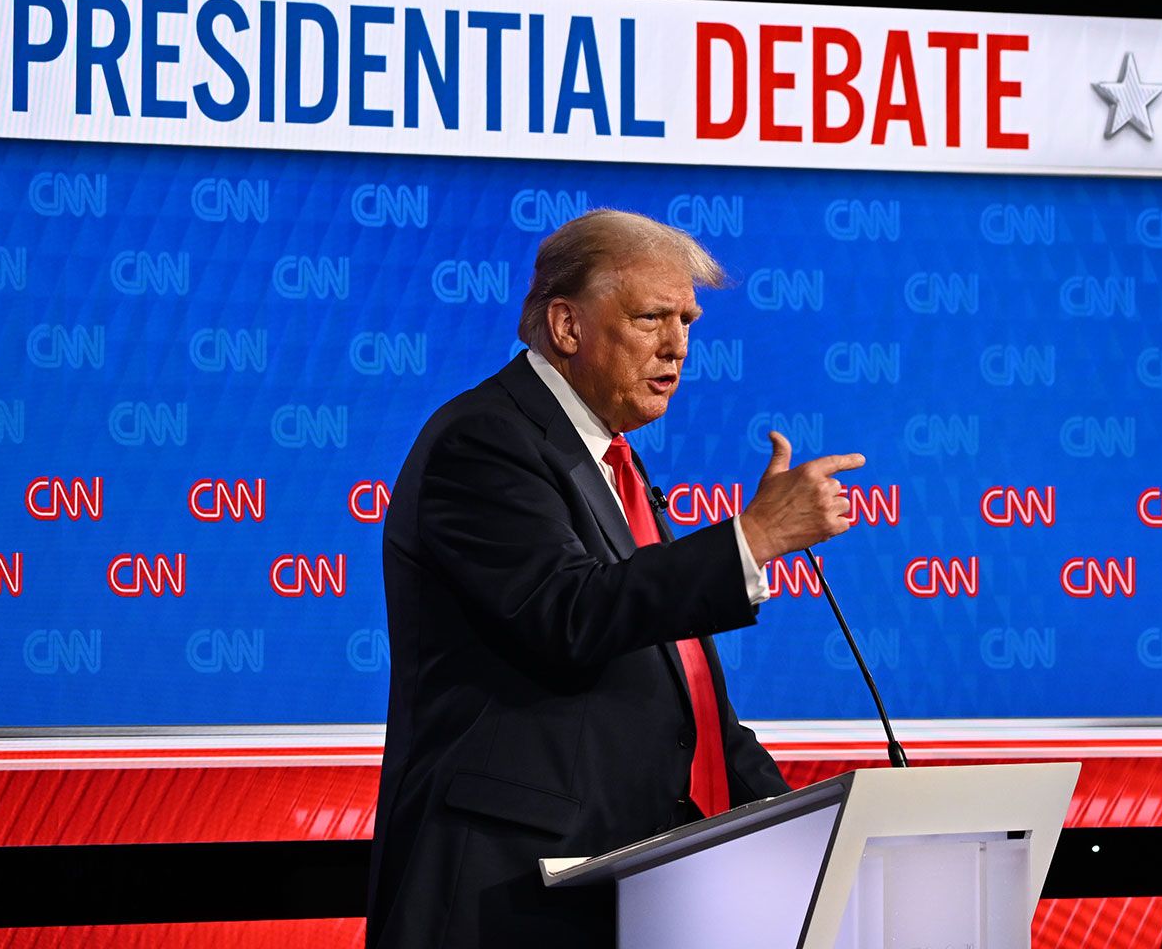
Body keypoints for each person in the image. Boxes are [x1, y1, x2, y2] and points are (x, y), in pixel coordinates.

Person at [367, 208, 868, 949]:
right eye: (650, 318)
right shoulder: (484, 441)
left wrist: (819, 836)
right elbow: (567, 613)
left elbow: (684, 703)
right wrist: (754, 537)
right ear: (567, 327)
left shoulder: (611, 464)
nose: (677, 347)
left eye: (688, 322)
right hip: (507, 898)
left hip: (629, 893)